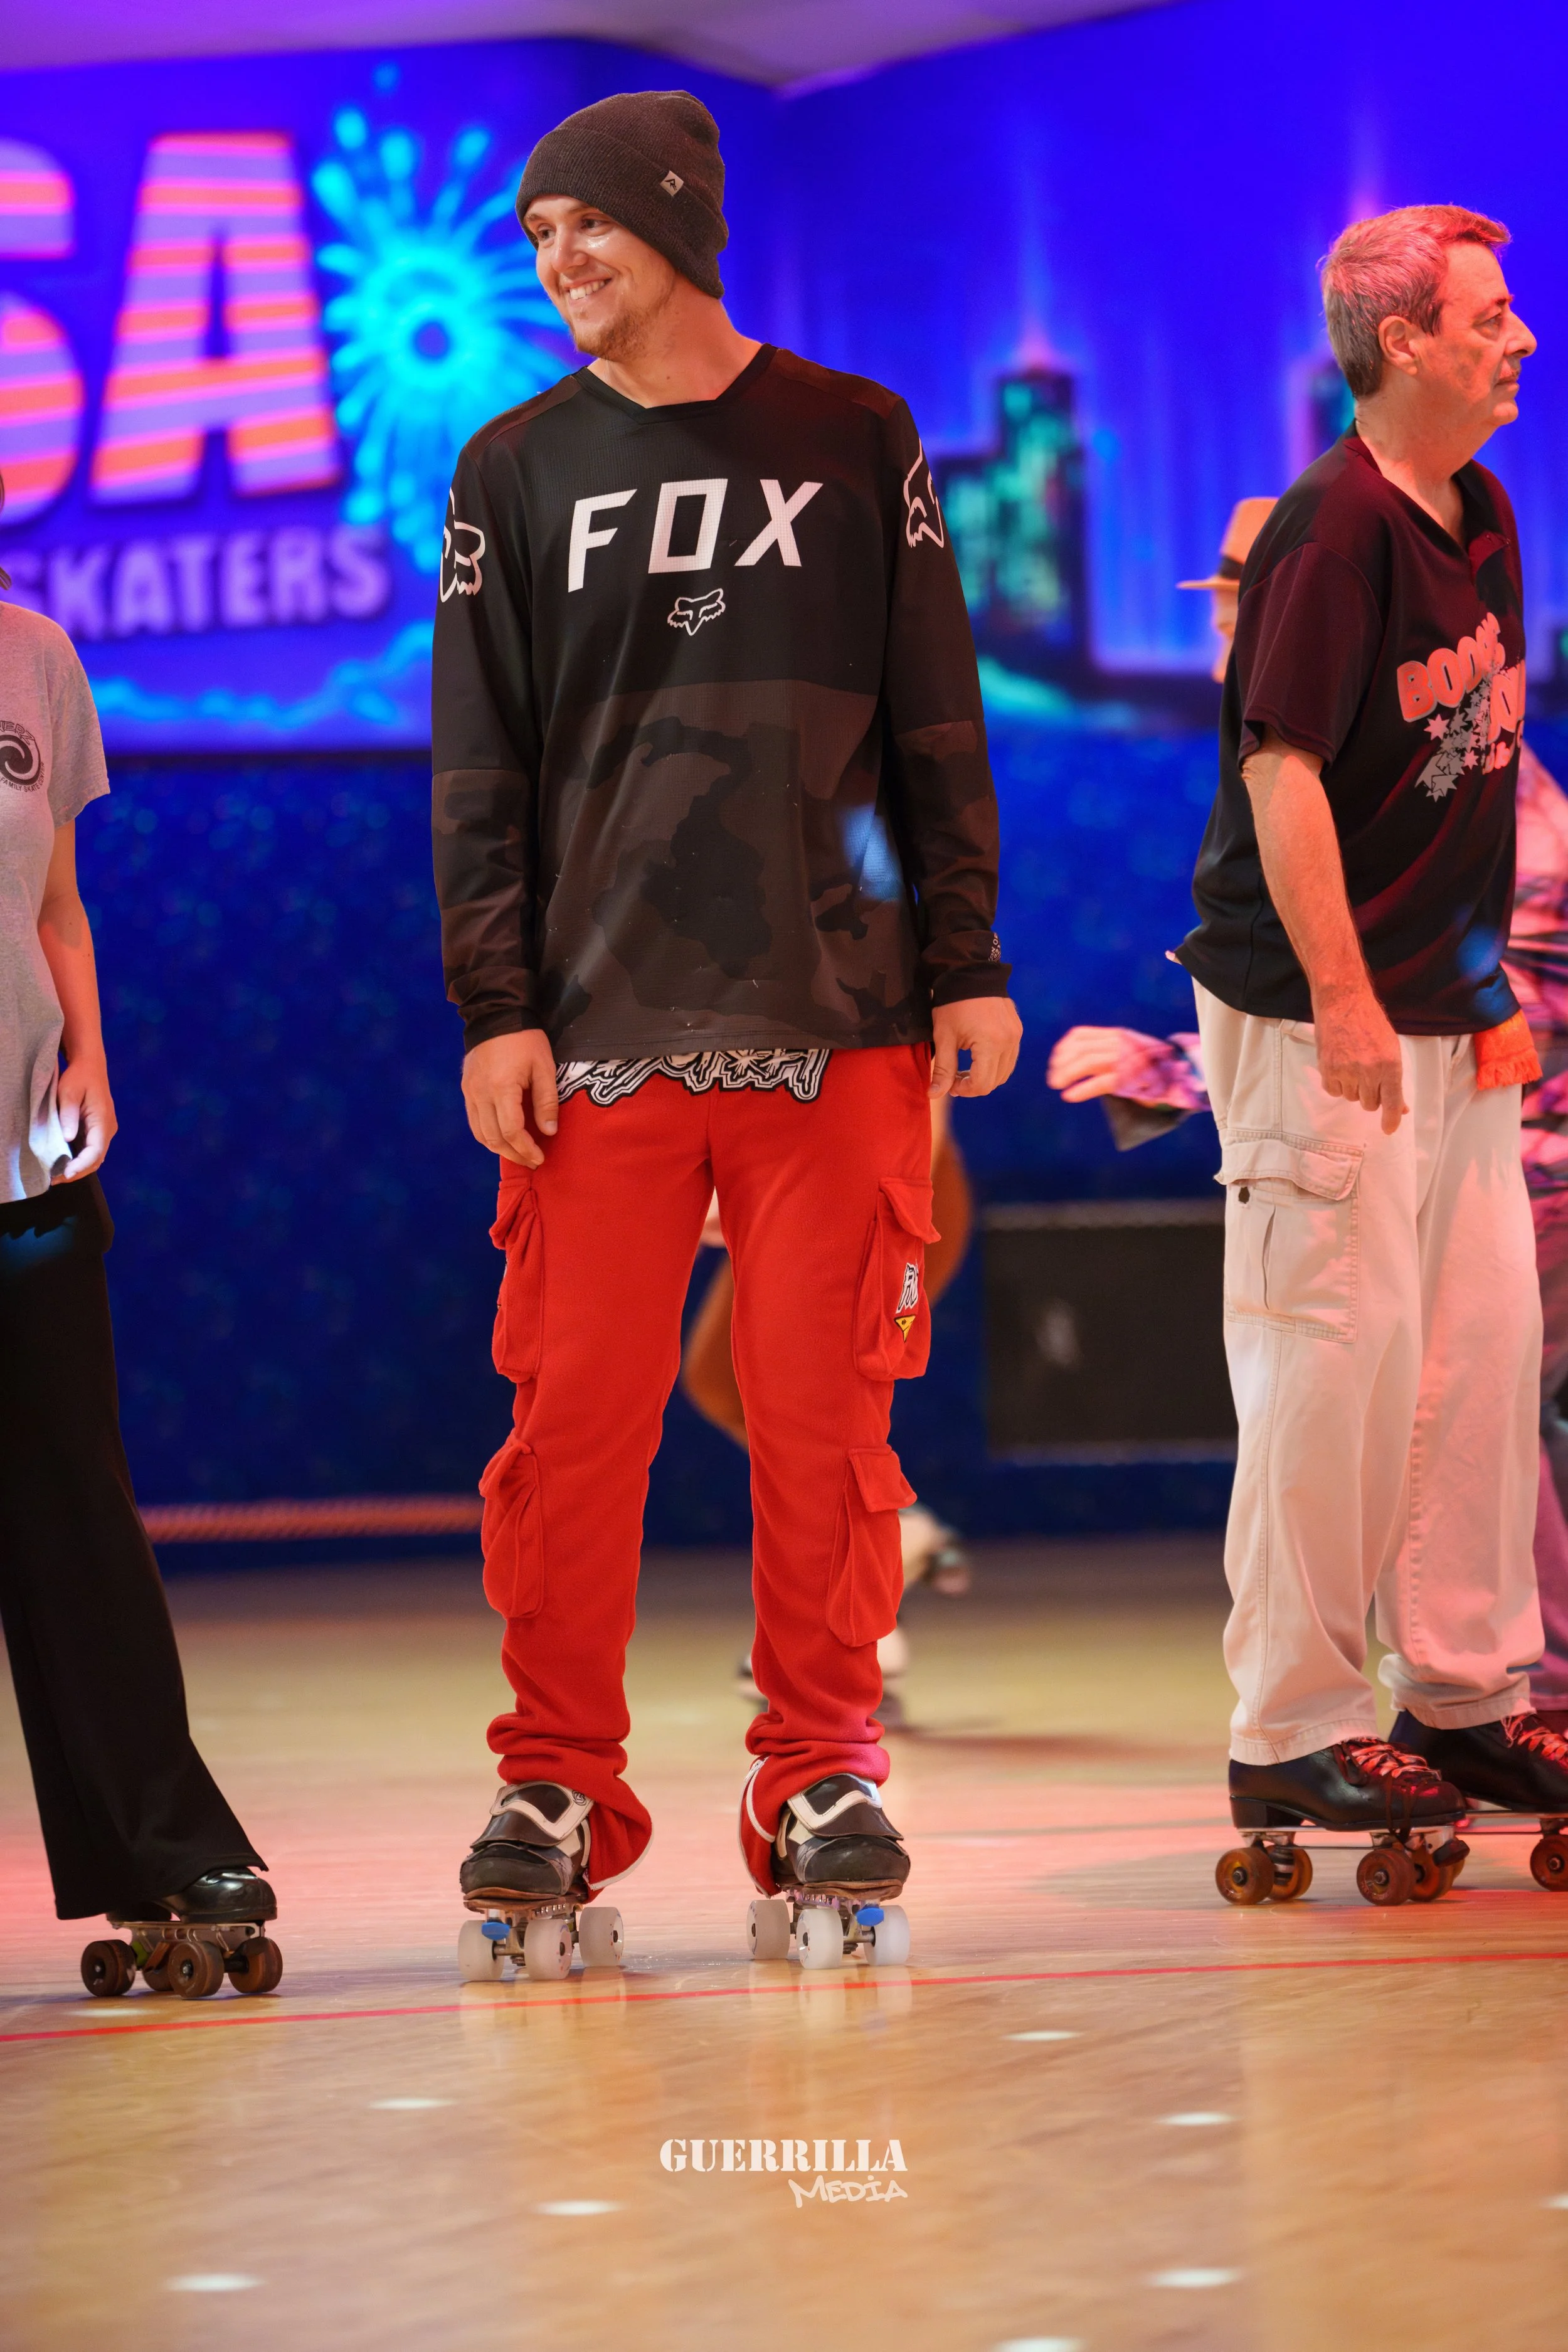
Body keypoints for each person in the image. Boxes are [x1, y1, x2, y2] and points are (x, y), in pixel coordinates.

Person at [430, 91, 1020, 1935]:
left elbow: (932, 714)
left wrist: (967, 955)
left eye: (583, 225)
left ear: (677, 221)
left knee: (828, 1416)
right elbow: (480, 763)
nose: (559, 262)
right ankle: (556, 1782)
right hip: (596, 1028)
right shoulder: (508, 467)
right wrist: (491, 998)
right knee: (574, 1418)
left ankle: (821, 1765)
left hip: (837, 1015)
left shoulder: (855, 436)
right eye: (534, 241)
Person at [1167, 202, 1568, 1846]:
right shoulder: (1327, 533)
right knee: (1328, 1365)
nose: (1518, 338)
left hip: (1440, 1010)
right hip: (1307, 1006)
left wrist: (1478, 991)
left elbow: (1471, 765)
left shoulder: (1475, 505)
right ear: (1398, 341)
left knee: (1472, 1359)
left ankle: (1466, 1692)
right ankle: (1290, 1722)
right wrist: (1340, 991)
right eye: (1487, 315)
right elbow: (1279, 774)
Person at [0, 487, 275, 1983]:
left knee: (77, 1524)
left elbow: (57, 904)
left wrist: (87, 1054)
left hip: (24, 1177)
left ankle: (166, 1846)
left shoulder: (34, 656)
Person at [680, 1091, 974, 1727]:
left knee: (822, 1402)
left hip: (883, 1185)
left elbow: (923, 1079)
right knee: (722, 1380)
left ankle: (857, 1637)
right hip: (786, 1182)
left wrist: (891, 1205)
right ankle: (892, 1538)